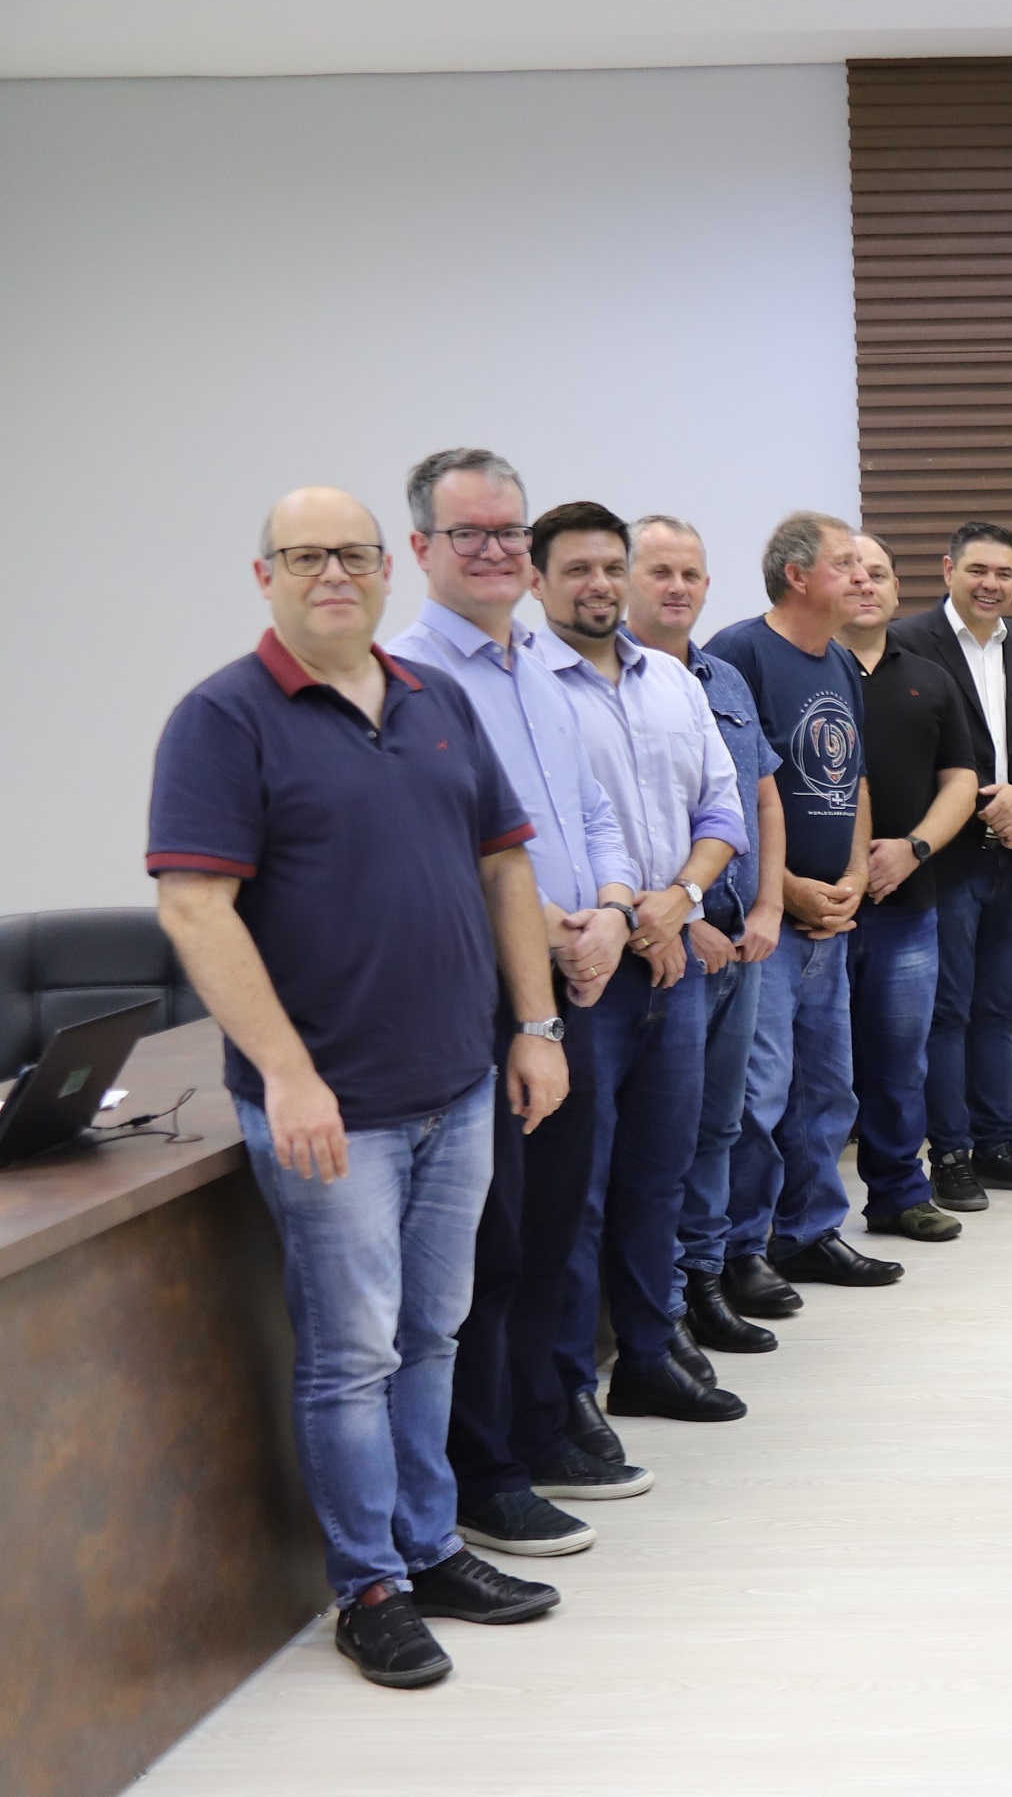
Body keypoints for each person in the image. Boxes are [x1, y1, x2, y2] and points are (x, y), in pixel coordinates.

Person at [150, 486, 571, 1689]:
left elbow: (505, 866)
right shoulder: (223, 717)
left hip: (460, 1088)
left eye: (352, 552)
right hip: (334, 1109)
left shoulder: (436, 699)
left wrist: (535, 1025)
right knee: (351, 1353)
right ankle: (368, 1586)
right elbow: (194, 907)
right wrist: (288, 1076)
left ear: (391, 567)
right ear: (265, 575)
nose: (332, 572)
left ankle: (429, 1544)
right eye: (304, 555)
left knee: (432, 1332)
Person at [387, 448, 638, 1562]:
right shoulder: (405, 677)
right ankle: (483, 1472)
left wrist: (614, 912)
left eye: (507, 531)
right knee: (485, 1248)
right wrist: (551, 934)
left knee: (552, 1227)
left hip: (578, 982)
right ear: (421, 549)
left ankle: (540, 1428)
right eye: (469, 533)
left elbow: (593, 815)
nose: (493, 550)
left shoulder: (541, 663)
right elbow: (452, 847)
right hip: (485, 997)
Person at [526, 501, 752, 1438]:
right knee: (577, 1192)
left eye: (610, 568)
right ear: (537, 581)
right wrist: (629, 920)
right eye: (576, 569)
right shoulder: (527, 687)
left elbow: (724, 810)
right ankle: (569, 1385)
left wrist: (679, 901)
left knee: (660, 1173)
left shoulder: (672, 681)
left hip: (673, 961)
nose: (599, 585)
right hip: (581, 974)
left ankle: (649, 1357)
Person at [704, 513, 903, 1291]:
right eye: (844, 563)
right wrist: (782, 888)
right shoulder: (739, 652)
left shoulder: (842, 662)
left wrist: (852, 874)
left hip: (832, 919)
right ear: (796, 576)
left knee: (827, 1089)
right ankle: (739, 1249)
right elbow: (729, 792)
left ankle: (810, 1232)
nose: (862, 577)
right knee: (758, 1095)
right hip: (769, 922)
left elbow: (852, 777)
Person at [619, 516, 793, 1352]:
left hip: (741, 940)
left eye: (690, 573)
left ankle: (705, 1277)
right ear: (625, 580)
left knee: (724, 1122)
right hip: (662, 948)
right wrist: (684, 921)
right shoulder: (603, 682)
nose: (677, 587)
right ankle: (662, 1309)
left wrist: (767, 908)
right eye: (660, 571)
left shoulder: (722, 678)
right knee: (666, 1139)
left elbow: (760, 798)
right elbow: (617, 824)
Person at [891, 520, 1012, 1202]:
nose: (991, 584)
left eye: (1004, 573)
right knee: (947, 1012)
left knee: (998, 1007)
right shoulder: (908, 641)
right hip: (946, 858)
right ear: (948, 570)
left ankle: (996, 1145)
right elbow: (905, 748)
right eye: (978, 570)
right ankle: (951, 1155)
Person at [830, 535, 977, 1242]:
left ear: (897, 591)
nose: (865, 584)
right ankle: (799, 1219)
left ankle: (896, 1194)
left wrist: (914, 849)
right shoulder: (796, 670)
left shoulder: (930, 678)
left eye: (879, 574)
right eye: (851, 572)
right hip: (813, 910)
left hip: (907, 906)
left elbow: (962, 779)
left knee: (898, 1066)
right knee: (811, 1076)